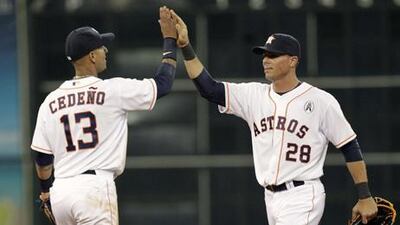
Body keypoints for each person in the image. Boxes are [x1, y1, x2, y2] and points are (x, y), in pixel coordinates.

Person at [170, 10, 378, 225]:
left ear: (293, 61)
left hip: (303, 195)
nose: (266, 60)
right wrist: (185, 46)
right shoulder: (253, 95)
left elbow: (349, 145)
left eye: (273, 55)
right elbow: (209, 89)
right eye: (265, 55)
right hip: (270, 198)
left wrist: (364, 195)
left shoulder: (320, 101)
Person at [31, 6, 177, 225]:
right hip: (93, 188)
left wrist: (45, 192)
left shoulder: (50, 101)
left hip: (61, 190)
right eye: (101, 47)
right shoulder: (111, 90)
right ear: (91, 56)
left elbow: (42, 158)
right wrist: (169, 41)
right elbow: (163, 85)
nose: (105, 51)